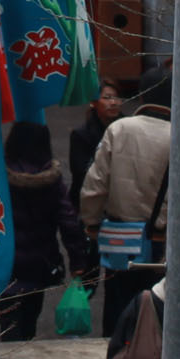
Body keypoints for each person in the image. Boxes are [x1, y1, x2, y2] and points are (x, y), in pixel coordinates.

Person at [77, 83, 175, 270]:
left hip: (118, 237)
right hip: (161, 237)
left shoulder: (119, 128)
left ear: (142, 97)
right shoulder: (178, 135)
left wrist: (92, 222)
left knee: (117, 295)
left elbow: (96, 182)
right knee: (155, 297)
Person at [0, 120, 70, 340]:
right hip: (40, 262)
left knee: (9, 321)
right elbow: (68, 220)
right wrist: (78, 261)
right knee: (30, 319)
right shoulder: (52, 179)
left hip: (8, 263)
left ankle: (11, 357)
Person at [64, 85, 125, 275]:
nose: (113, 102)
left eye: (116, 97)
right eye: (107, 97)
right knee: (89, 269)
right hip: (89, 207)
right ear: (94, 102)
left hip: (119, 207)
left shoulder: (127, 131)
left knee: (117, 271)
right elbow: (80, 173)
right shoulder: (82, 134)